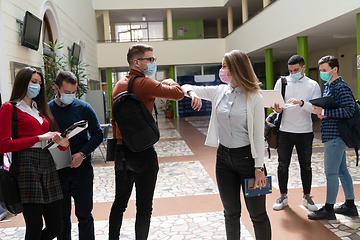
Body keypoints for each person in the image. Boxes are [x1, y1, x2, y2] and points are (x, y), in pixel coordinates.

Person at [182, 50, 271, 240]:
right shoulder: (219, 91)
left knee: (258, 214)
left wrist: (259, 168)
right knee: (230, 213)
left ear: (236, 68)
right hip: (223, 160)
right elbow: (186, 86)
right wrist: (192, 94)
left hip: (248, 161)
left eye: (224, 66)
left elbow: (258, 136)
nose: (221, 70)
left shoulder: (255, 97)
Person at [108, 43, 184, 240]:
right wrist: (170, 81)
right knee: (143, 206)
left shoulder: (118, 86)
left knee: (119, 203)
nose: (153, 62)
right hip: (143, 152)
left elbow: (114, 120)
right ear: (136, 62)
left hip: (121, 151)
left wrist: (120, 144)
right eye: (149, 59)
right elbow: (178, 94)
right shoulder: (144, 83)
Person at [0, 67, 70, 240]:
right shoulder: (9, 108)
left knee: (56, 226)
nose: (37, 86)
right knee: (35, 225)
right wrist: (38, 137)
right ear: (23, 82)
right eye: (33, 82)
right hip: (25, 167)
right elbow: (3, 145)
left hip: (47, 163)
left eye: (39, 82)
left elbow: (54, 141)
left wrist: (63, 143)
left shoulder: (41, 110)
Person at [48, 71, 103, 239]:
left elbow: (98, 134)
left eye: (74, 92)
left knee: (85, 215)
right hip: (58, 172)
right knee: (62, 217)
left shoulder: (84, 108)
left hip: (82, 170)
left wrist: (82, 154)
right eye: (66, 92)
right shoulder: (47, 110)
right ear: (56, 88)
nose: (71, 96)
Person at [308, 55, 358, 220]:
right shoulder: (329, 85)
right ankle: (350, 205)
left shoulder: (341, 87)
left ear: (334, 69)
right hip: (332, 133)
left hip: (336, 135)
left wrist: (324, 112)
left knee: (331, 173)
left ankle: (328, 209)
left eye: (324, 70)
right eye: (320, 70)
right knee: (342, 171)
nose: (321, 73)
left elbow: (348, 110)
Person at [271, 55, 321, 211]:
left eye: (296, 70)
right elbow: (274, 103)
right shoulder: (282, 82)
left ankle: (307, 196)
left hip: (304, 131)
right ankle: (283, 196)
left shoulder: (313, 85)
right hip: (285, 130)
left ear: (303, 68)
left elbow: (316, 109)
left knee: (305, 166)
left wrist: (301, 103)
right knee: (282, 165)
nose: (293, 72)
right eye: (290, 70)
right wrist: (276, 108)